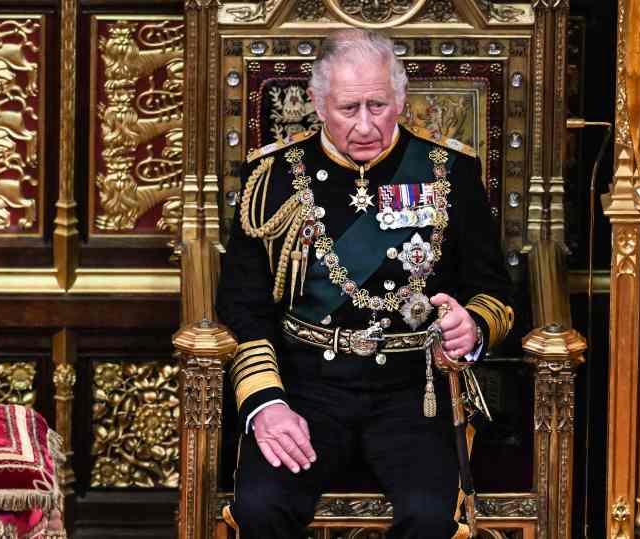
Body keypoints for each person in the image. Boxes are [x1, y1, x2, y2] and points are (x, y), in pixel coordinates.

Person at [216, 28, 514, 539]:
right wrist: (268, 404)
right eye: (347, 108)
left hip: (412, 392)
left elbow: (495, 291)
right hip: (305, 387)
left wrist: (473, 326)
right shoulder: (273, 178)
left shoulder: (451, 172)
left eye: (378, 105)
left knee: (429, 517)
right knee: (262, 508)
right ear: (316, 102)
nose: (364, 126)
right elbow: (243, 306)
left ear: (400, 99)